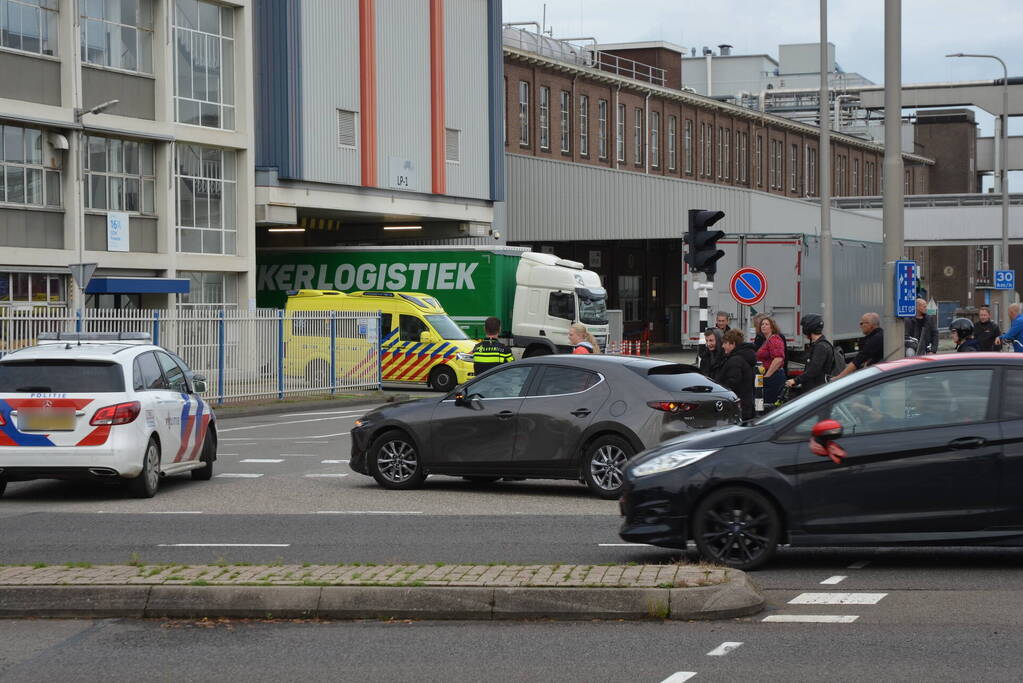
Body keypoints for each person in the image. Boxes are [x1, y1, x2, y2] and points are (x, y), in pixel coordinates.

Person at [786, 314, 831, 395]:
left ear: (808, 328)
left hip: (816, 391)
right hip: (817, 389)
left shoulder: (820, 347)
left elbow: (813, 370)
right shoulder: (820, 345)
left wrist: (795, 380)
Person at [718, 329, 757, 421]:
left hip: (739, 407)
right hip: (747, 403)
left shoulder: (735, 360)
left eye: (725, 343)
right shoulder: (745, 357)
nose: (723, 346)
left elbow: (732, 384)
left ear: (732, 344)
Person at [833, 312, 884, 379]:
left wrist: (838, 377)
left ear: (871, 325)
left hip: (878, 377)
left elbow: (858, 360)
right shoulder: (879, 335)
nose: (860, 326)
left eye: (862, 323)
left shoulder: (876, 339)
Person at [755, 316, 786, 405]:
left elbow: (778, 359)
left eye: (766, 324)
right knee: (761, 403)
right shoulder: (766, 340)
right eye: (762, 324)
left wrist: (767, 376)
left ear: (772, 327)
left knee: (768, 404)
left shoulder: (774, 339)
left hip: (773, 377)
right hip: (766, 375)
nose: (763, 326)